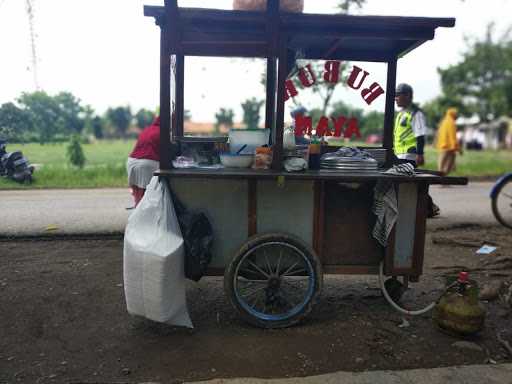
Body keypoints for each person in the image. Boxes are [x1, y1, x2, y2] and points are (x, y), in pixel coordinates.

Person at [393, 83, 440, 217]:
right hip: (399, 154)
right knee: (409, 184)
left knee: (412, 184)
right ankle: (428, 207)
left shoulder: (416, 114)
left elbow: (420, 135)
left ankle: (430, 207)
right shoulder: (401, 114)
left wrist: (420, 154)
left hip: (409, 155)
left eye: (398, 95)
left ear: (407, 96)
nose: (395, 98)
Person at [126, 116, 160, 206]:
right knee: (148, 197)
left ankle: (138, 212)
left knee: (138, 195)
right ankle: (144, 216)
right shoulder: (163, 132)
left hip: (132, 162)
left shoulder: (147, 129)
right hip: (147, 164)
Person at [436, 108, 463, 176]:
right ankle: (442, 179)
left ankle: (441, 179)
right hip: (449, 146)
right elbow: (452, 136)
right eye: (456, 114)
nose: (457, 116)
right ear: (453, 114)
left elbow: (438, 134)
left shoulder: (444, 121)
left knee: (441, 164)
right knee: (448, 164)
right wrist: (457, 148)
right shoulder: (451, 122)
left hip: (442, 146)